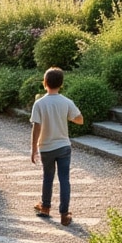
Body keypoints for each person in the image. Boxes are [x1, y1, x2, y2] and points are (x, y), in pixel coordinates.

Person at [30, 67, 83, 227]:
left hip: (46, 147)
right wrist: (67, 117)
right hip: (63, 146)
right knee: (64, 179)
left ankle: (45, 207)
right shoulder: (66, 102)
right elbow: (80, 119)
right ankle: (64, 214)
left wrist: (33, 149)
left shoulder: (39, 104)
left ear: (44, 83)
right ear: (61, 84)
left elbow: (36, 127)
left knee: (48, 177)